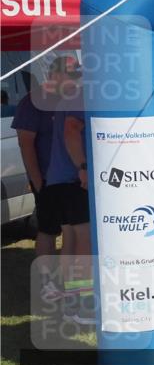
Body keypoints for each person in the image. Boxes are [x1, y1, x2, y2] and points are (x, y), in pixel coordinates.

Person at [46, 56, 93, 323]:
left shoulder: (68, 98)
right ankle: (81, 305)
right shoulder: (80, 96)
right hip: (74, 180)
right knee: (83, 243)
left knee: (71, 242)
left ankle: (71, 302)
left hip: (60, 180)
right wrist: (83, 166)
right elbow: (71, 130)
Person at [13, 73, 60, 261]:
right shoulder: (33, 101)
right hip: (47, 178)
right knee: (49, 229)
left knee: (72, 229)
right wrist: (37, 182)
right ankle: (47, 280)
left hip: (71, 178)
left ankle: (70, 281)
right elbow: (25, 143)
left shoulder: (71, 99)